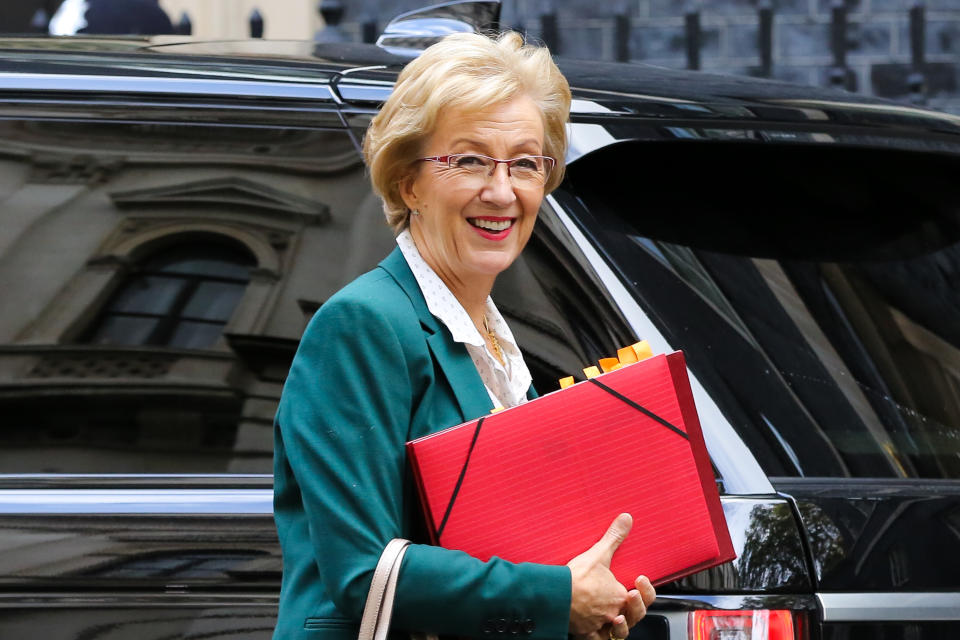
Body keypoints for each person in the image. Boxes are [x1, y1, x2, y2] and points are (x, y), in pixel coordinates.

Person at [272, 31, 656, 640]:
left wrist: (591, 599)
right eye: (469, 159)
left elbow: (494, 555)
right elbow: (364, 574)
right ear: (408, 183)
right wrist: (557, 595)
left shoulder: (500, 346)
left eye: (525, 162)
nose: (502, 191)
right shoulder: (364, 324)